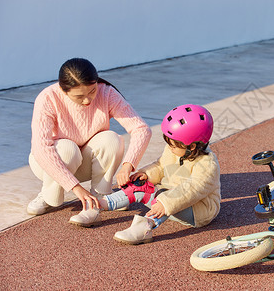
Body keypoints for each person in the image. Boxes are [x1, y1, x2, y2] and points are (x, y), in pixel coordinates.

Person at [68, 104, 221, 245]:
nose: (170, 147)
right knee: (140, 185)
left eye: (173, 145)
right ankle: (98, 206)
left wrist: (165, 202)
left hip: (198, 211)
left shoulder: (208, 164)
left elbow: (192, 189)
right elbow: (161, 166)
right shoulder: (175, 149)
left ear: (192, 146)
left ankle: (145, 227)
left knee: (163, 195)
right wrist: (146, 174)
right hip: (168, 198)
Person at [27, 58, 152, 216]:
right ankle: (49, 195)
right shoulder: (48, 98)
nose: (88, 100)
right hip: (51, 162)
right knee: (67, 149)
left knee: (112, 139)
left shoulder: (106, 92)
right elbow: (41, 149)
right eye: (79, 96)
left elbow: (141, 129)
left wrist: (128, 165)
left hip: (83, 162)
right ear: (64, 91)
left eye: (92, 91)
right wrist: (76, 188)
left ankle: (102, 194)